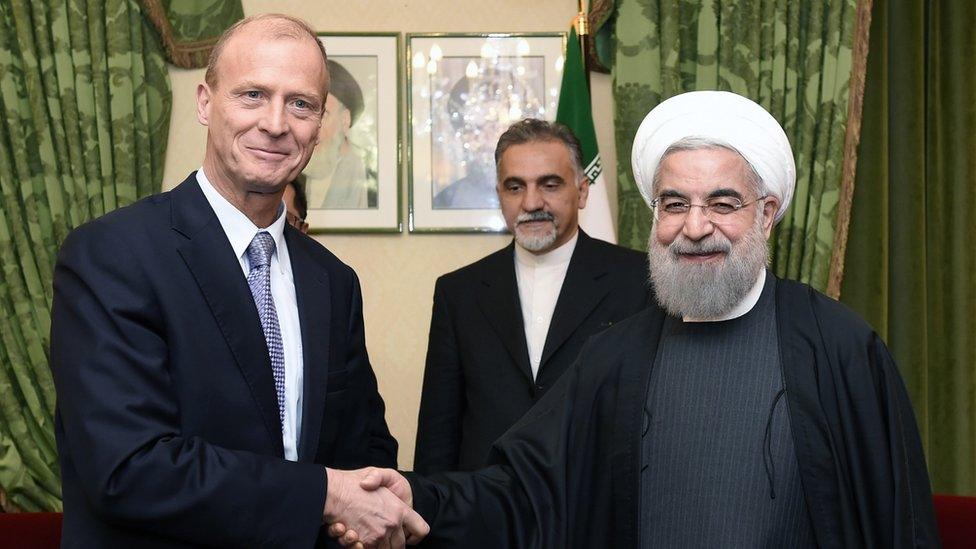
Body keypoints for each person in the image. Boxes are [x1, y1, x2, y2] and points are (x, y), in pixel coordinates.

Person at [335, 91, 939, 548]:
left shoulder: (838, 348)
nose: (694, 226)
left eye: (723, 203)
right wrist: (418, 494)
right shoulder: (615, 357)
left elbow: (896, 517)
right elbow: (523, 490)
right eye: (673, 204)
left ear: (768, 213)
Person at [49, 14, 426, 548]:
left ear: (320, 125)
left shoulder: (332, 280)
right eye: (252, 95)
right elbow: (129, 467)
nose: (276, 123)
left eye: (301, 104)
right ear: (206, 102)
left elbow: (363, 449)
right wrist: (328, 495)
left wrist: (375, 499)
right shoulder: (113, 255)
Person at [414, 118, 651, 475]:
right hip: (485, 512)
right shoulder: (458, 293)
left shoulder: (638, 282)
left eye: (549, 184)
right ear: (500, 196)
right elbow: (438, 434)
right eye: (514, 187)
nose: (531, 202)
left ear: (582, 191)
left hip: (594, 510)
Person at [305, 59, 371, 209]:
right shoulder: (293, 173)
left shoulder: (365, 176)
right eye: (308, 112)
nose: (314, 128)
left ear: (345, 120)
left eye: (324, 114)